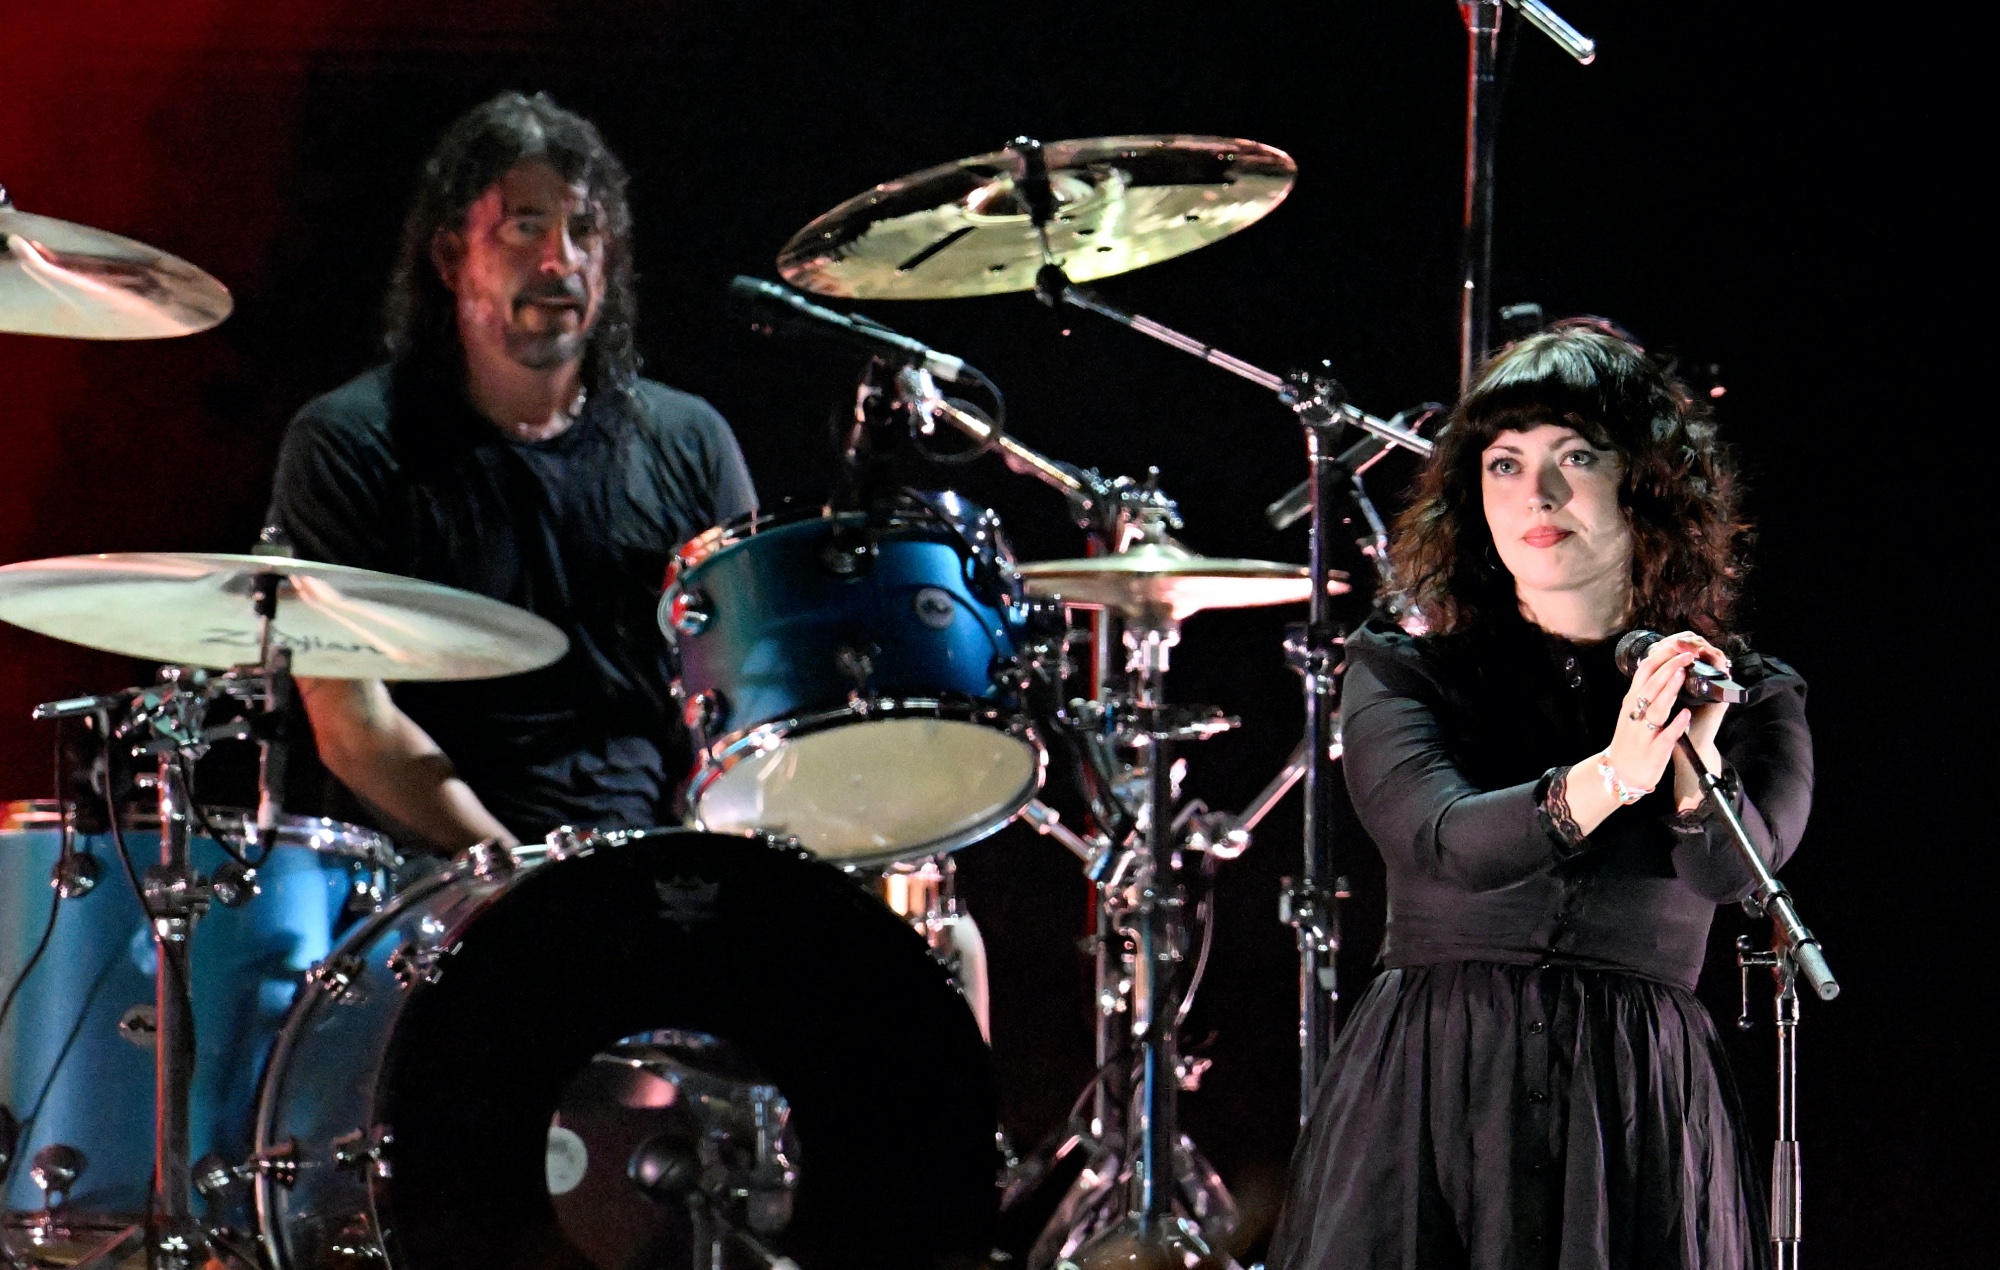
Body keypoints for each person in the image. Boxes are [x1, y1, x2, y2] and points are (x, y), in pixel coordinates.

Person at [1269, 322, 1813, 1269]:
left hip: (1635, 1094)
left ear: (1645, 483)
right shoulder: (1404, 672)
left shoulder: (1749, 691)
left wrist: (1689, 753)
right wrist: (1614, 774)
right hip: (1439, 1077)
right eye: (1506, 464)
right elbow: (1441, 841)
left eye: (1577, 457)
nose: (1538, 494)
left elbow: (1733, 872)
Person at [264, 92, 756, 851]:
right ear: (451, 258)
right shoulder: (352, 443)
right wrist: (519, 882)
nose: (560, 261)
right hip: (448, 884)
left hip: (655, 873)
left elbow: (746, 696)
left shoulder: (690, 442)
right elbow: (352, 726)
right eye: (525, 228)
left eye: (584, 231)